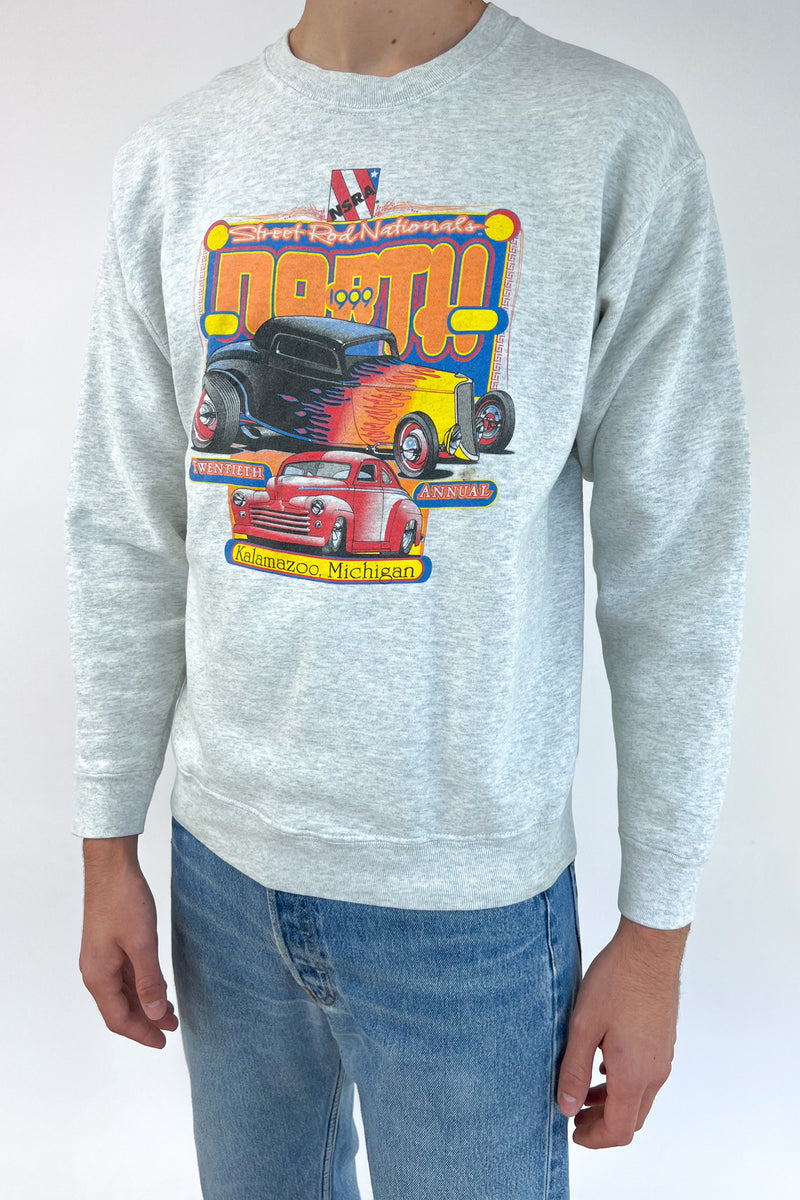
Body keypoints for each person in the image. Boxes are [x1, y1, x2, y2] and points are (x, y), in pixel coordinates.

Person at [64, 1, 751, 1196]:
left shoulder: (609, 133)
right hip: (219, 870)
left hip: (473, 904)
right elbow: (129, 524)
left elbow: (677, 559)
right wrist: (105, 838)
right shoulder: (175, 157)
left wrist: (657, 932)